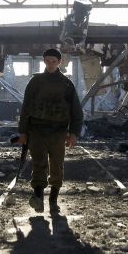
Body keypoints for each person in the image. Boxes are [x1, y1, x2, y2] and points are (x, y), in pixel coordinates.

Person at [17, 48, 83, 214]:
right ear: (44, 61)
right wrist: (23, 132)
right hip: (37, 130)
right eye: (48, 61)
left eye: (54, 61)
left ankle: (53, 201)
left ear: (59, 62)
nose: (51, 64)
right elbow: (25, 108)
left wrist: (74, 133)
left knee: (57, 166)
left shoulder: (67, 84)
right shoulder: (35, 82)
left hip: (58, 132)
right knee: (38, 164)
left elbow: (76, 111)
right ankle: (38, 198)